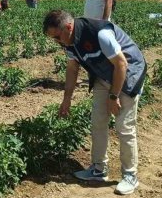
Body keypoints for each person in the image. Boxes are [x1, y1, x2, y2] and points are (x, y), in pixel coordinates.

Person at [43, 10, 146, 195]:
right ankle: (99, 169)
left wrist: (114, 97)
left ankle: (130, 175)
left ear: (68, 27)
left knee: (124, 126)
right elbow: (72, 70)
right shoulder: (68, 42)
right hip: (103, 76)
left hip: (128, 73)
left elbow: (122, 64)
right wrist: (66, 100)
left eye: (57, 37)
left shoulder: (100, 34)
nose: (56, 42)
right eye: (53, 39)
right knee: (98, 121)